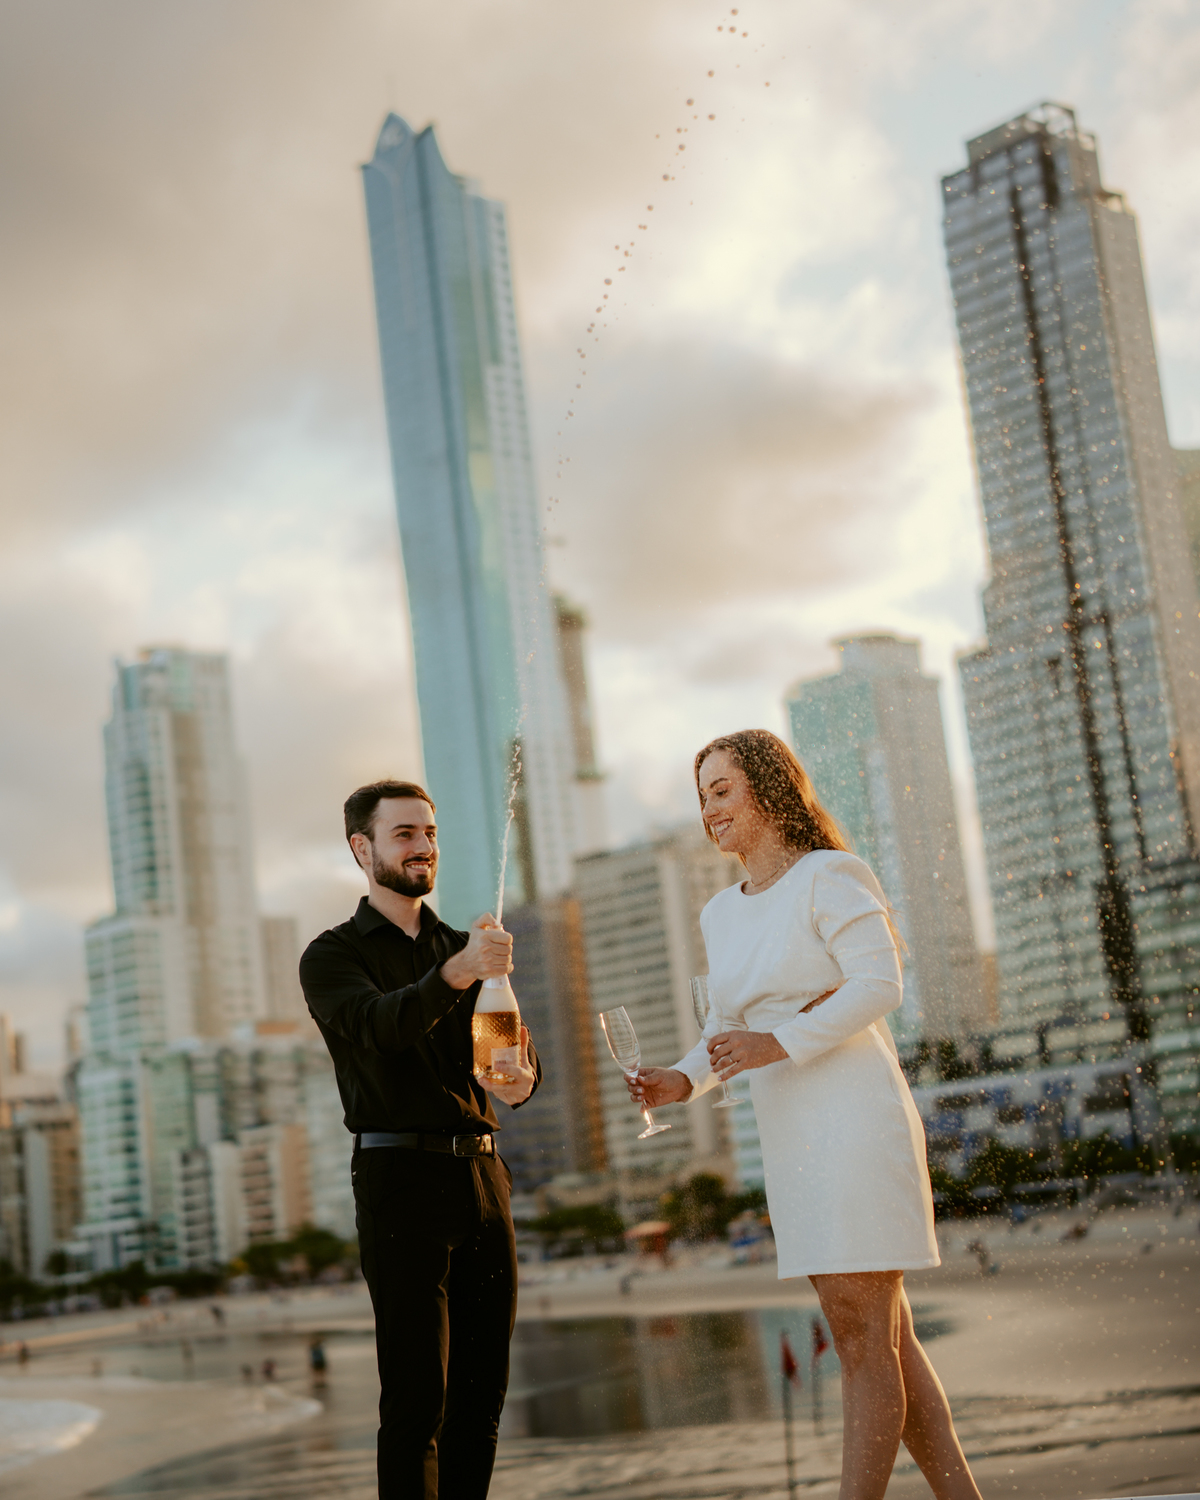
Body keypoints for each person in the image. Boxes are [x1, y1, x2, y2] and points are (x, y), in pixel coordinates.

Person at [630, 731, 982, 1500]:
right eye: (702, 797)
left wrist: (776, 1042)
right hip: (790, 1140)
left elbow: (878, 985)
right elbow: (723, 1038)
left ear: (768, 789)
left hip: (853, 1121)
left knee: (860, 1342)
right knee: (887, 1342)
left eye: (722, 791)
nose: (709, 810)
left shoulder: (831, 875)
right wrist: (678, 1083)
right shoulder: (720, 914)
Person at [300, 779, 538, 1500]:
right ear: (361, 847)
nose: (423, 848)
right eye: (404, 834)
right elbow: (381, 1026)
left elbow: (508, 1063)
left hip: (485, 1181)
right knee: (415, 1404)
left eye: (429, 833)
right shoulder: (331, 956)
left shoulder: (463, 948)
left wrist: (520, 1078)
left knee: (481, 1401)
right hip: (397, 1181)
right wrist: (460, 971)